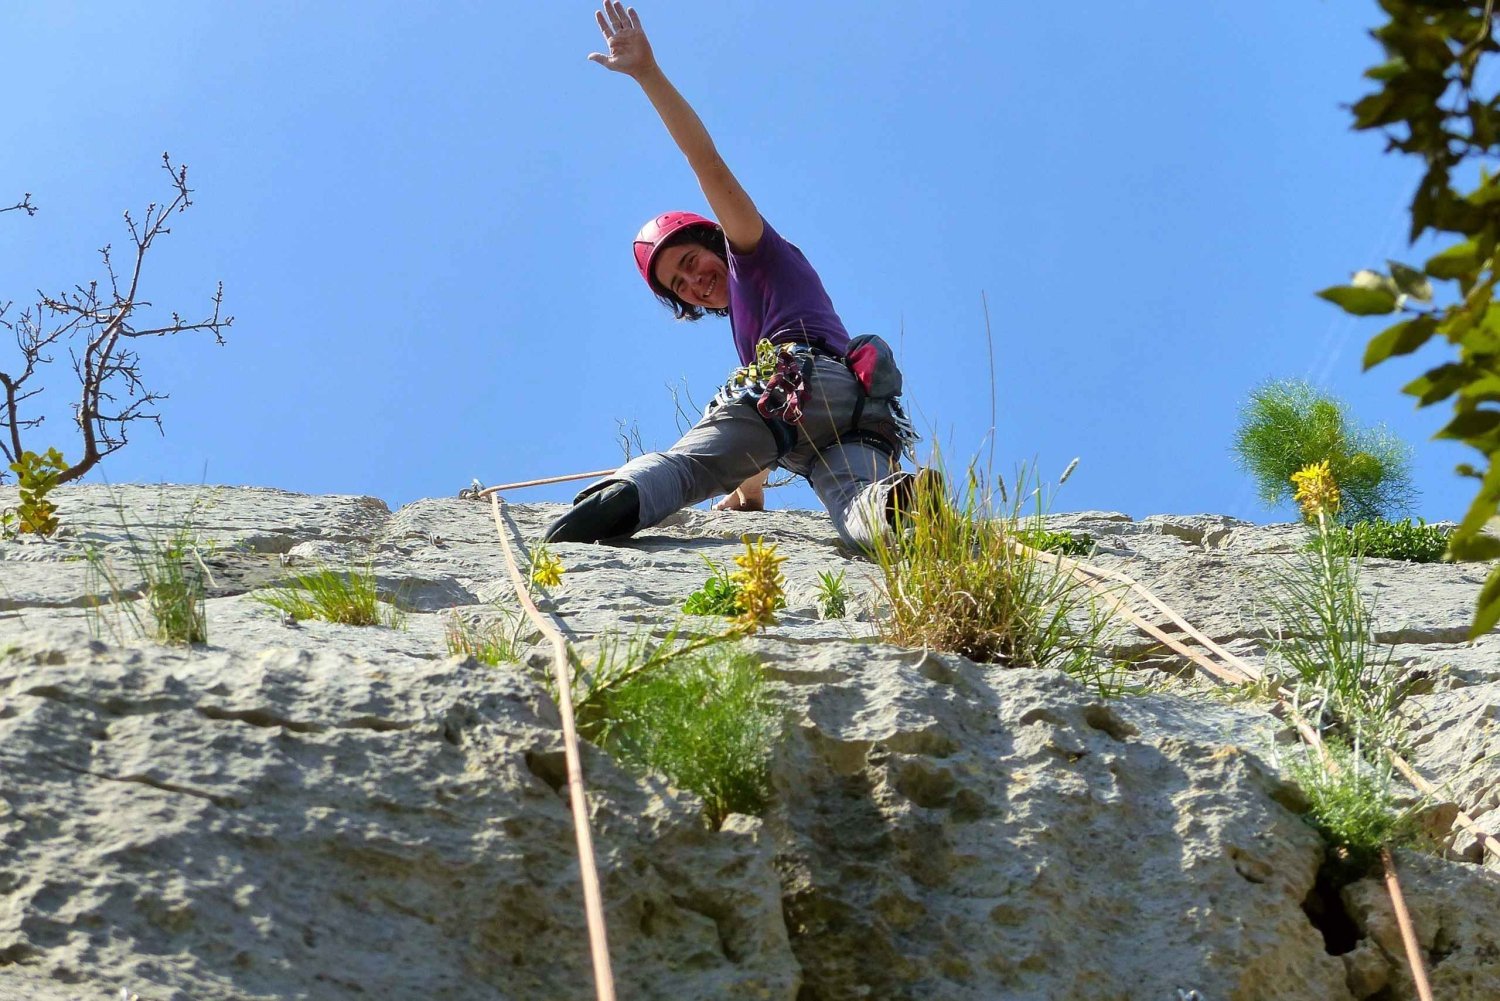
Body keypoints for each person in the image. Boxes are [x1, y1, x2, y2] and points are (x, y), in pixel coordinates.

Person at [544, 2, 920, 550]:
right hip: (855, 409)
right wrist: (750, 494)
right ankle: (892, 509)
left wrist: (648, 75)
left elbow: (708, 165)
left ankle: (614, 502)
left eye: (691, 261)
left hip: (796, 380)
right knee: (855, 505)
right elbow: (770, 426)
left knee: (689, 468)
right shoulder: (752, 318)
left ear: (713, 240)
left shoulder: (753, 251)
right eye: (680, 284)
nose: (694, 282)